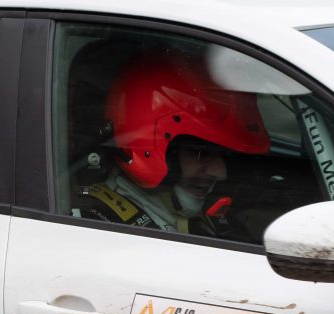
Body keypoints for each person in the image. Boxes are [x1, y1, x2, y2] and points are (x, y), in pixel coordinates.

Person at [78, 52, 271, 239]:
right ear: (145, 147)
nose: (221, 173)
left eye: (226, 155)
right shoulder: (99, 230)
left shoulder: (214, 217)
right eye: (200, 153)